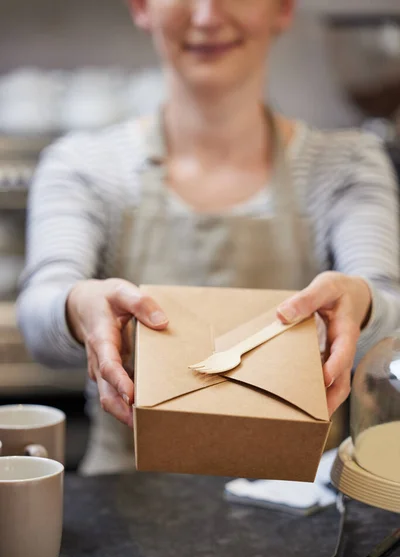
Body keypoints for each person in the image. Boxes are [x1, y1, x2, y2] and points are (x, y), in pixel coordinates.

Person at [17, 0, 400, 475]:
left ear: (281, 8)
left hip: (302, 502)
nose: (206, 16)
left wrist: (362, 305)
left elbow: (390, 310)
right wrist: (77, 306)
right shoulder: (84, 166)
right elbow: (38, 316)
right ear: (141, 6)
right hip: (124, 499)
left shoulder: (347, 165)